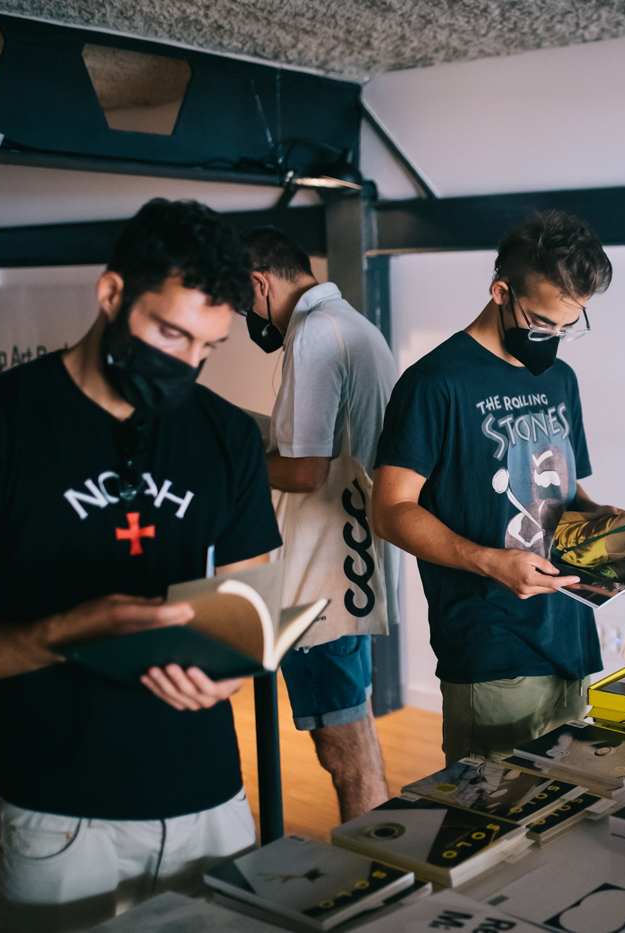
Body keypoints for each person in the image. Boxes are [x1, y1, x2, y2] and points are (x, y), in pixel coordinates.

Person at [0, 199, 282, 932]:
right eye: (170, 333)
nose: (187, 364)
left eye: (208, 346)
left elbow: (246, 602)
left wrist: (232, 667)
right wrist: (60, 634)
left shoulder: (227, 435)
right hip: (61, 816)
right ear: (111, 294)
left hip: (212, 803)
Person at [372, 211, 617, 763]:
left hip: (572, 636)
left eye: (567, 326)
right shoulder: (434, 383)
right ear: (501, 292)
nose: (554, 339)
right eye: (543, 323)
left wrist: (601, 516)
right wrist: (489, 561)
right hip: (491, 647)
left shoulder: (560, 378)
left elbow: (568, 492)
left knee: (566, 803)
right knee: (491, 809)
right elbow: (389, 510)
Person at [240, 225, 394, 821]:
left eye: (242, 302)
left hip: (318, 576)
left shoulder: (312, 335)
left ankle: (372, 868)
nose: (247, 319)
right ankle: (382, 858)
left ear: (259, 283)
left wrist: (228, 461)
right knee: (355, 730)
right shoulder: (351, 324)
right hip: (351, 566)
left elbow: (305, 472)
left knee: (341, 748)